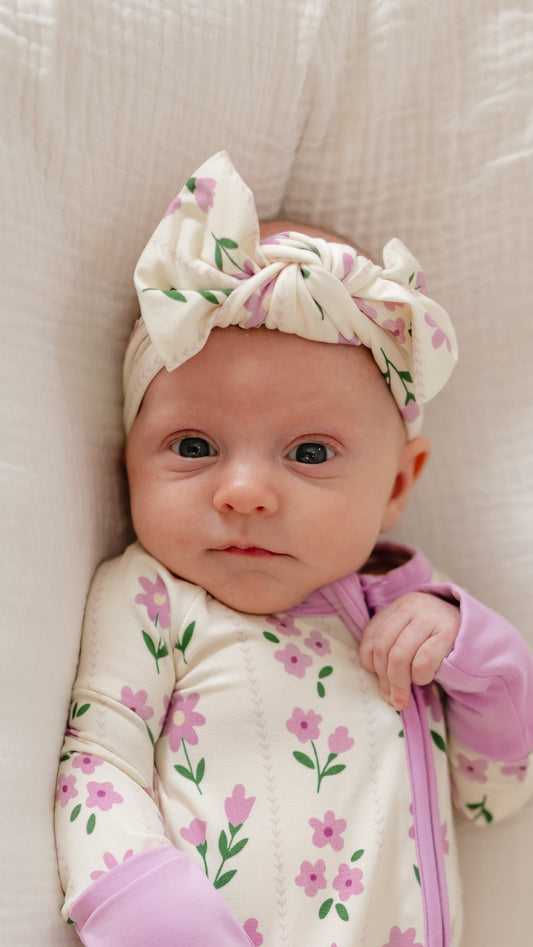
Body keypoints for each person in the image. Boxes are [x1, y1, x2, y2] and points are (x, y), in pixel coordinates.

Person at [55, 152, 533, 947]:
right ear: (125, 459)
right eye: (194, 444)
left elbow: (494, 795)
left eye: (309, 453)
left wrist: (477, 652)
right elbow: (96, 765)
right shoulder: (151, 597)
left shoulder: (407, 606)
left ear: (392, 485)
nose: (244, 491)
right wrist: (150, 911)